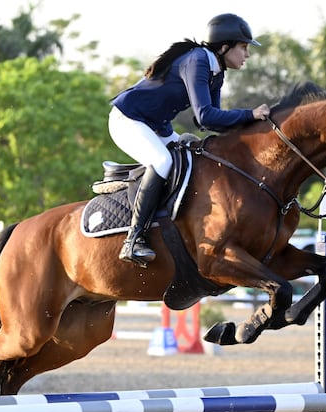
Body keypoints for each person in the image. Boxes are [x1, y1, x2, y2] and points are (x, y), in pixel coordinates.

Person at [109, 13, 271, 266]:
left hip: (156, 127)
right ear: (224, 46)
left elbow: (208, 123)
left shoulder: (217, 72)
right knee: (163, 162)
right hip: (128, 120)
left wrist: (252, 129)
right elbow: (205, 115)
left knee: (195, 157)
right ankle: (134, 239)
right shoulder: (198, 60)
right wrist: (250, 114)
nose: (247, 54)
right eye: (243, 47)